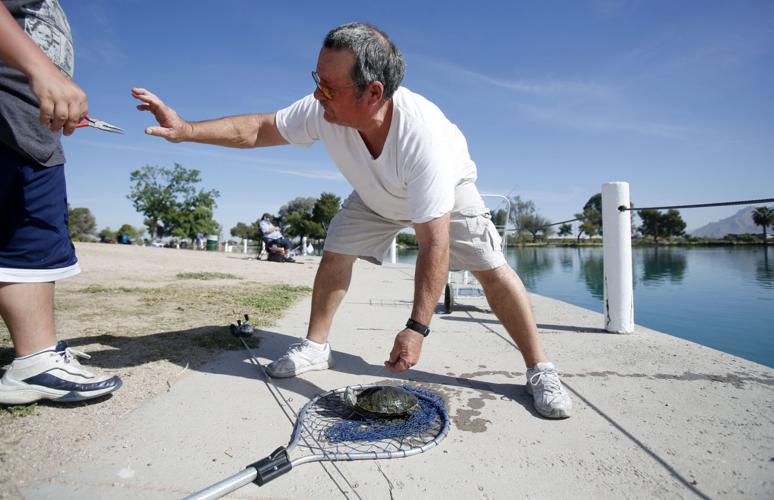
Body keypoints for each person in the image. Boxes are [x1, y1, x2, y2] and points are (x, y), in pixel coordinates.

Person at [132, 22, 572, 418]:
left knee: (491, 269)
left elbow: (432, 246)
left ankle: (540, 369)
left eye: (330, 86)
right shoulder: (323, 109)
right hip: (376, 193)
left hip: (447, 195)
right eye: (316, 81)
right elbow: (259, 129)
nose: (318, 94)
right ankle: (315, 347)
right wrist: (187, 129)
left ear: (373, 92)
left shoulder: (425, 141)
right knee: (336, 250)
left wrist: (417, 328)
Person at [0, 0, 122, 405]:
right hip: (9, 124)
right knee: (31, 235)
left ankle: (36, 358)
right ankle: (36, 360)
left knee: (27, 246)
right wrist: (40, 68)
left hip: (29, 133)